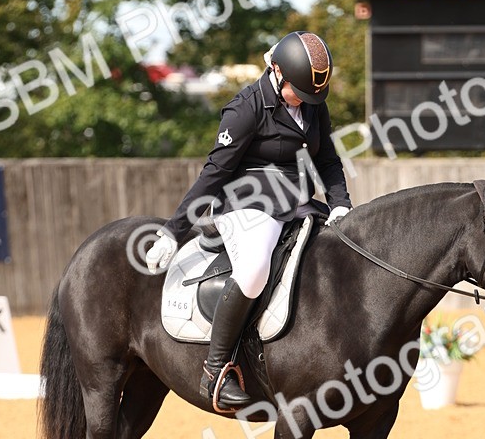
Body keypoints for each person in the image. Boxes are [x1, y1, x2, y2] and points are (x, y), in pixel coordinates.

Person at [146, 31, 352, 410]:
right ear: (277, 72)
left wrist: (340, 204)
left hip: (299, 204)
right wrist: (172, 232)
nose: (305, 103)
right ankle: (216, 369)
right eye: (299, 94)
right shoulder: (245, 108)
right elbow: (214, 173)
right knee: (255, 267)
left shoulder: (311, 102)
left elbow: (328, 162)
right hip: (245, 205)